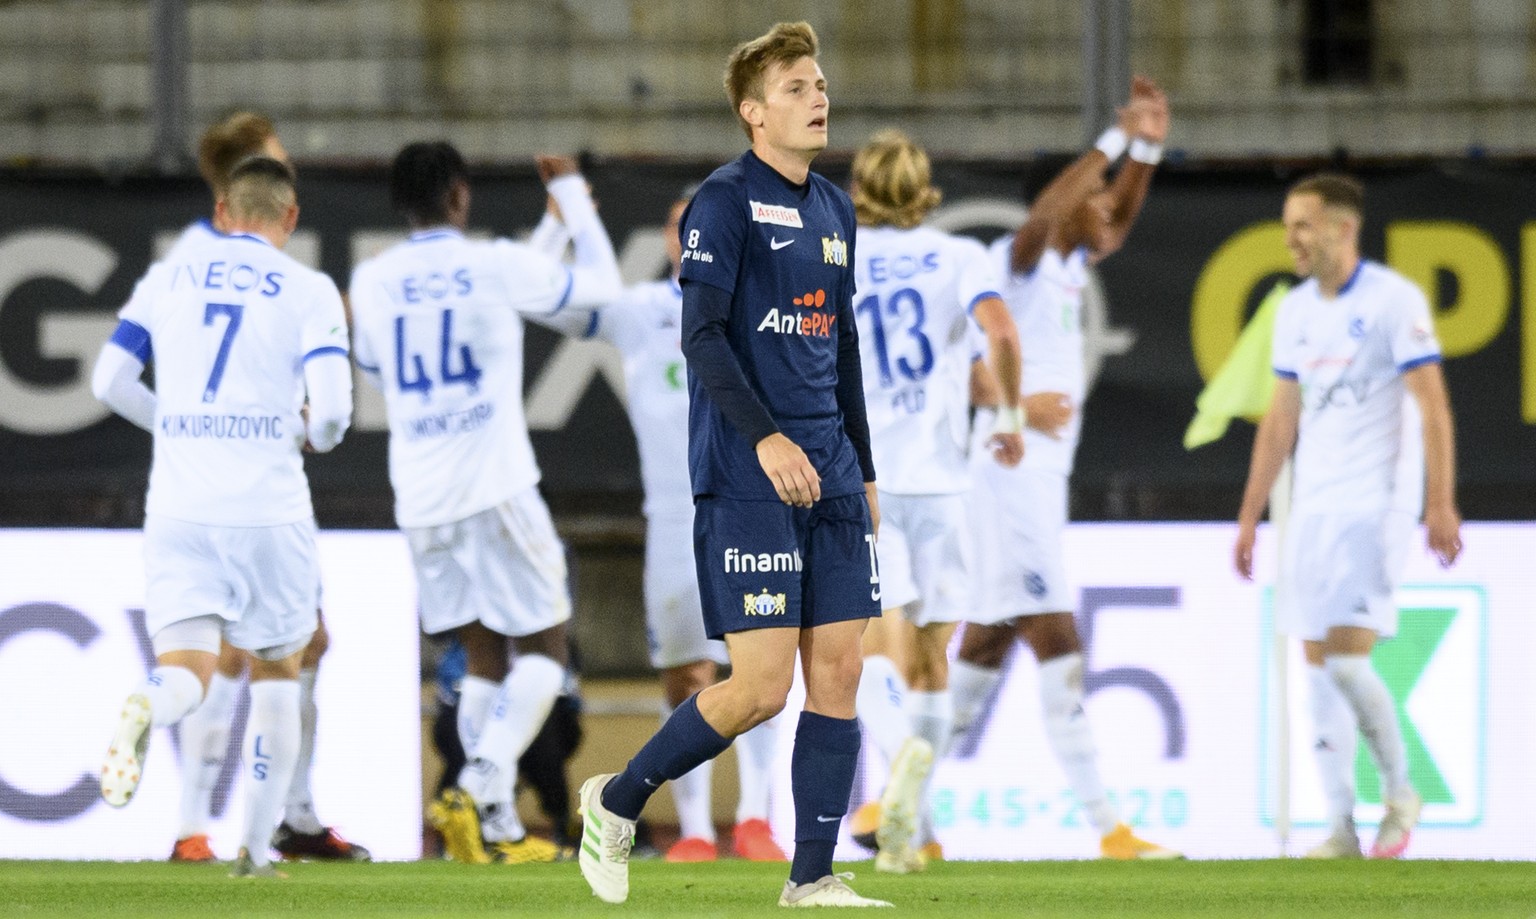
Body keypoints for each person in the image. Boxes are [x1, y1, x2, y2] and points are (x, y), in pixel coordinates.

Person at [577, 21, 890, 908]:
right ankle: (619, 801)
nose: (818, 97)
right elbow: (703, 335)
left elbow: (845, 347)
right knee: (757, 687)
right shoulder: (724, 201)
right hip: (751, 474)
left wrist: (862, 468)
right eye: (796, 87)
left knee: (840, 669)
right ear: (754, 113)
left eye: (820, 83)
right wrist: (767, 437)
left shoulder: (834, 209)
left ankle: (813, 875)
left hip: (829, 470)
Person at [348, 141, 622, 865]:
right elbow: (601, 286)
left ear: (401, 203)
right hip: (496, 486)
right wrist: (578, 205)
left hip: (424, 497)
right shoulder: (493, 263)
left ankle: (493, 826)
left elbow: (375, 362)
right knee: (546, 650)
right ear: (461, 196)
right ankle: (476, 782)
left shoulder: (373, 280)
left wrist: (553, 225)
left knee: (481, 657)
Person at [93, 156, 353, 878]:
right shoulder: (308, 289)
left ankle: (147, 700)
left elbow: (107, 379)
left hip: (178, 506)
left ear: (223, 209)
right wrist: (307, 433)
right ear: (289, 217)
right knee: (279, 670)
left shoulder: (167, 275)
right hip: (267, 510)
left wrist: (177, 425)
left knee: (189, 671)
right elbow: (331, 413)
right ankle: (255, 853)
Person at [946, 76, 1182, 860]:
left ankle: (892, 807)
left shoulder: (1072, 263)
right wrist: (1110, 142)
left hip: (1033, 478)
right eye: (1099, 195)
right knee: (1057, 636)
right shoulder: (1014, 260)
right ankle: (1108, 825)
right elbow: (1052, 213)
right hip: (1010, 468)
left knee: (986, 643)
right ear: (1062, 200)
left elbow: (1115, 215)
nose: (1110, 208)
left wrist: (1146, 146)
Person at [530, 189, 788, 863]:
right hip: (675, 519)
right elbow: (545, 302)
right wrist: (566, 216)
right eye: (679, 225)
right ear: (671, 242)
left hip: (755, 509)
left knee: (758, 667)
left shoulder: (764, 307)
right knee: (687, 673)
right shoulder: (643, 312)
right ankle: (698, 828)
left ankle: (757, 818)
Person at [1234, 172, 1461, 859]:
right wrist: (1249, 516)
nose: (1290, 238)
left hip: (1375, 503)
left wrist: (1440, 500)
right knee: (1313, 662)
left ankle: (1400, 791)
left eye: (1302, 224)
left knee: (1346, 660)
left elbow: (1432, 405)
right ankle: (1339, 823)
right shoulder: (1294, 310)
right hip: (1314, 505)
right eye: (1288, 224)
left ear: (1341, 228)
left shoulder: (1395, 300)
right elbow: (1280, 418)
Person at [161, 111, 368, 865]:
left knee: (286, 645)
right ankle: (240, 821)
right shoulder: (258, 264)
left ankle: (266, 815)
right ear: (252, 178)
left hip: (197, 485)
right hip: (252, 489)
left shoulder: (189, 258)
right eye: (278, 159)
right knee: (264, 650)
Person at [843, 129, 1024, 874]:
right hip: (946, 484)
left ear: (859, 186)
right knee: (930, 660)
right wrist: (1009, 415)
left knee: (865, 649)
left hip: (869, 480)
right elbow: (1001, 332)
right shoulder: (963, 258)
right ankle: (905, 828)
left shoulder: (835, 258)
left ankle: (899, 769)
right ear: (924, 189)